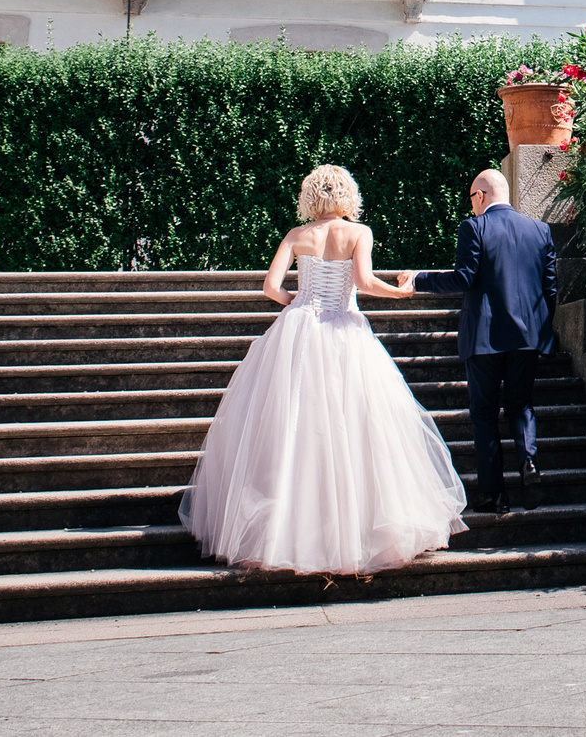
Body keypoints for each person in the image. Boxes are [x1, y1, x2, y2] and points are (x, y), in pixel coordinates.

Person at [179, 164, 466, 573]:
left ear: (310, 196)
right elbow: (364, 282)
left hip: (300, 329)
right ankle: (354, 531)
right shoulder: (358, 233)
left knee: (294, 429)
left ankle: (286, 533)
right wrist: (400, 292)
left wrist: (296, 299)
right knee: (355, 427)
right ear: (348, 194)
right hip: (345, 330)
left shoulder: (297, 236)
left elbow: (269, 287)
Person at [402, 169, 555, 514]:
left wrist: (419, 280)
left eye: (471, 198)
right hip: (527, 338)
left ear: (482, 195)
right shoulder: (540, 230)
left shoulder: (475, 227)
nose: (471, 206)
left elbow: (464, 277)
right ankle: (529, 463)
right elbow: (550, 290)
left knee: (484, 414)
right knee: (521, 405)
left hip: (485, 338)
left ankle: (493, 495)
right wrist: (543, 333)